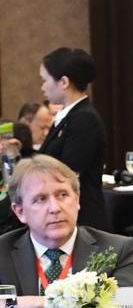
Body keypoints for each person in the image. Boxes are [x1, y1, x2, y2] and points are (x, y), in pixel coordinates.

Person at [0, 156, 133, 308]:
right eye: (41, 199)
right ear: (20, 212)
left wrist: (43, 303)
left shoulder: (116, 250)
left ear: (77, 199)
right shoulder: (2, 253)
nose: (55, 208)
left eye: (62, 195)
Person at [37, 48, 107, 230]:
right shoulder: (68, 116)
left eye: (44, 80)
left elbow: (66, 171)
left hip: (81, 219)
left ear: (64, 82)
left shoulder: (84, 118)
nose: (42, 87)